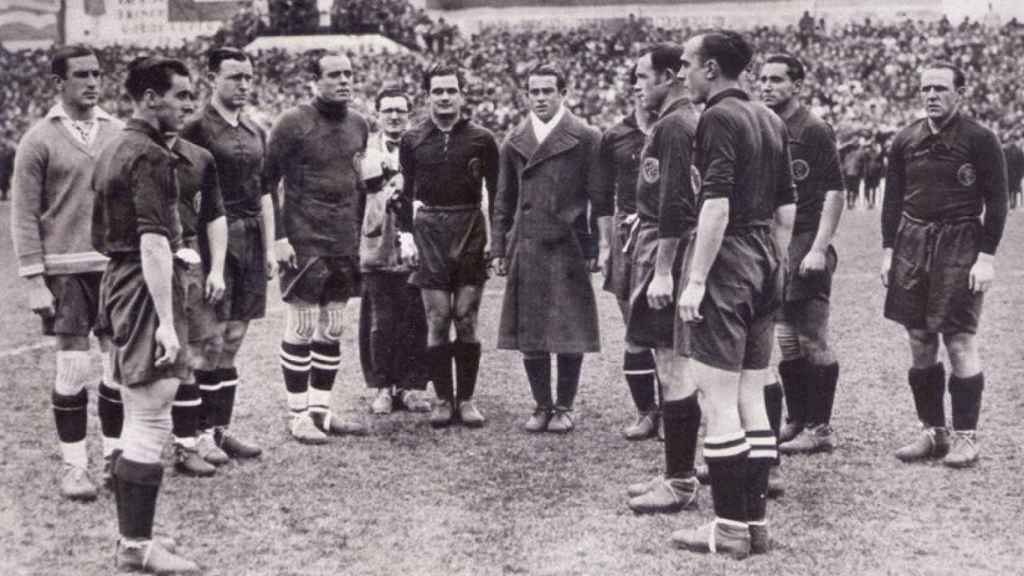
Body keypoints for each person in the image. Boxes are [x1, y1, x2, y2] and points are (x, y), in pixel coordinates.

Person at [671, 30, 795, 558]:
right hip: (766, 254)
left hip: (728, 259)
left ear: (713, 69)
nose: (682, 73)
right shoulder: (769, 116)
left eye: (687, 63)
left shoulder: (718, 117)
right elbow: (788, 207)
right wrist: (774, 262)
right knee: (751, 396)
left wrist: (697, 279)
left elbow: (715, 206)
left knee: (717, 399)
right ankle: (756, 525)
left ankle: (726, 529)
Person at [92, 55, 199, 573]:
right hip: (142, 283)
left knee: (139, 411)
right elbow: (154, 243)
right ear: (151, 98)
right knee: (153, 412)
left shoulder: (112, 146)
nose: (188, 104)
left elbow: (101, 236)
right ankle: (135, 546)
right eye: (180, 94)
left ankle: (136, 537)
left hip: (116, 279)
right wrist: (169, 324)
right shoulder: (151, 155)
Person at [11, 45, 124, 501]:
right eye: (81, 74)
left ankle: (117, 459)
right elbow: (22, 214)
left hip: (114, 267)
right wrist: (34, 280)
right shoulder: (39, 138)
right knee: (74, 367)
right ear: (59, 82)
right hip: (65, 270)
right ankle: (75, 467)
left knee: (118, 368)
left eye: (97, 73)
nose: (93, 82)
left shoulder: (117, 131)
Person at [881, 62, 1008, 469]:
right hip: (912, 240)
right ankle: (932, 432)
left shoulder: (980, 138)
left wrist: (986, 257)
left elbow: (998, 202)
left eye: (939, 88)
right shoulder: (905, 139)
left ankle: (966, 437)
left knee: (958, 338)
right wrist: (888, 250)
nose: (930, 95)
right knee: (919, 338)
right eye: (924, 89)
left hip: (960, 241)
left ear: (960, 93)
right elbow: (892, 199)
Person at [492, 64, 611, 434]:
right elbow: (503, 199)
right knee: (530, 329)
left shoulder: (586, 137)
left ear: (563, 92)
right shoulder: (513, 140)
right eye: (534, 91)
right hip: (526, 243)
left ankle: (565, 406)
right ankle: (541, 404)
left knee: (568, 326)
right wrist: (499, 247)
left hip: (568, 244)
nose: (540, 98)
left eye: (547, 91)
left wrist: (594, 245)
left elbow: (599, 198)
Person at [264, 51, 370, 444]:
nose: (344, 80)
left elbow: (359, 182)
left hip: (343, 239)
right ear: (315, 81)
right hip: (304, 239)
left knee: (334, 327)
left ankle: (322, 410)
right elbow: (266, 183)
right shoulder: (292, 123)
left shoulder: (360, 123)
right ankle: (297, 414)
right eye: (334, 74)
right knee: (303, 326)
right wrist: (278, 237)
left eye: (348, 73)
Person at [617, 44, 702, 514]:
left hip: (667, 248)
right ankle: (677, 473)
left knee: (673, 366)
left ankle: (681, 480)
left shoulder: (674, 125)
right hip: (659, 242)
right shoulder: (677, 121)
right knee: (672, 364)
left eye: (643, 76)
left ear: (670, 76)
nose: (636, 85)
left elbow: (674, 203)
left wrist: (664, 270)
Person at [180, 47, 271, 462]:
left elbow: (264, 191)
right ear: (213, 78)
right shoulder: (195, 127)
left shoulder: (255, 130)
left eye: (248, 77)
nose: (243, 85)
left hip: (251, 236)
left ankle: (220, 431)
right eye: (235, 77)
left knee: (234, 337)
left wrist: (269, 246)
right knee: (209, 340)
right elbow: (184, 191)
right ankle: (196, 435)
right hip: (211, 238)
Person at [396, 65, 499, 428]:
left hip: (469, 226)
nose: (444, 97)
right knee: (438, 318)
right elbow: (405, 194)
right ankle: (442, 398)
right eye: (437, 91)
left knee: (466, 317)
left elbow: (497, 193)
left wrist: (495, 239)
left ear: (461, 94)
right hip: (429, 230)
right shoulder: (412, 140)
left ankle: (467, 399)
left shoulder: (482, 139)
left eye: (450, 90)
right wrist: (406, 236)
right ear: (427, 96)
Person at [758, 54, 845, 455]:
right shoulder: (764, 124)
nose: (767, 86)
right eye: (762, 79)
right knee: (787, 339)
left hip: (807, 241)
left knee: (812, 338)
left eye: (777, 79)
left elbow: (834, 191)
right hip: (777, 243)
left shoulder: (813, 128)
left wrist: (818, 247)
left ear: (797, 85)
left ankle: (821, 427)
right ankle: (797, 418)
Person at [358, 87, 431, 415]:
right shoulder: (364, 151)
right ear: (377, 114)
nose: (394, 116)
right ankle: (382, 387)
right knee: (381, 322)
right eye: (387, 110)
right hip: (377, 245)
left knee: (416, 318)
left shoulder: (421, 148)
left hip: (417, 247)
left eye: (400, 110)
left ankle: (413, 386)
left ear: (410, 113)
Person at [167, 98, 229, 477]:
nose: (184, 105)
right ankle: (125, 449)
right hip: (147, 255)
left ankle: (195, 440)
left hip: (190, 258)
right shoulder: (133, 151)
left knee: (203, 349)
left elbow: (214, 215)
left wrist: (216, 268)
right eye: (179, 96)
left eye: (190, 97)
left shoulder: (200, 157)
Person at [598, 63, 658, 441]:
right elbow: (601, 198)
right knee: (633, 325)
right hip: (625, 232)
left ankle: (674, 408)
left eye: (645, 83)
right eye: (635, 84)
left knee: (669, 329)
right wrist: (606, 243)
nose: (641, 91)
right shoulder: (615, 136)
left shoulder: (682, 129)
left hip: (665, 231)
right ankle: (646, 411)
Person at [1002, 134, 1023, 210]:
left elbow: (1021, 164)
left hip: (1015, 173)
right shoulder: (1005, 150)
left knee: (1013, 189)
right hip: (1009, 173)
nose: (1012, 141)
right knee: (1009, 189)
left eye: (1013, 140)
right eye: (1011, 140)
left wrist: (1021, 174)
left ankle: (1012, 204)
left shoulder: (1018, 151)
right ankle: (1009, 204)